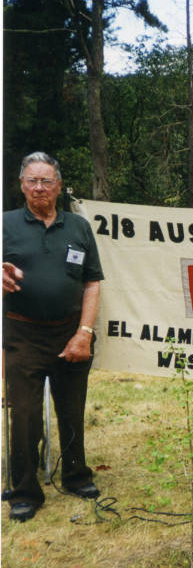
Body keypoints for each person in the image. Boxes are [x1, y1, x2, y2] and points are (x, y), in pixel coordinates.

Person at [2, 152, 104, 522]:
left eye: (46, 181)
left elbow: (92, 282)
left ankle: (77, 476)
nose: (39, 188)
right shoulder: (5, 224)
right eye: (32, 180)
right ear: (22, 185)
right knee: (25, 415)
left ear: (59, 186)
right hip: (21, 334)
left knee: (72, 410)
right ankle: (25, 491)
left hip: (69, 332)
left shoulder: (78, 227)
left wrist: (84, 333)